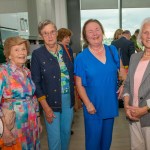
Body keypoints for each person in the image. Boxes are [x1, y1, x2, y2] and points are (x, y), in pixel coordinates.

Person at [74, 19, 122, 150]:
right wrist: (87, 104)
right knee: (93, 143)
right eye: (90, 31)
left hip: (110, 104)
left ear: (102, 32)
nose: (94, 33)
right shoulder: (81, 58)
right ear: (85, 36)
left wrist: (123, 85)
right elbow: (79, 84)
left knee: (106, 143)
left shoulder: (112, 50)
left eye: (97, 29)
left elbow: (122, 71)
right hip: (93, 107)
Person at [30, 20, 74, 150]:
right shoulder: (37, 55)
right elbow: (36, 83)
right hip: (50, 101)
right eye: (45, 33)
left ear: (56, 32)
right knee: (55, 138)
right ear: (41, 36)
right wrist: (46, 107)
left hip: (68, 99)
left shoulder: (67, 50)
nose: (49, 36)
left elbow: (72, 74)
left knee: (66, 133)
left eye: (52, 32)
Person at [0, 36, 42, 150]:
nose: (21, 53)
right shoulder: (3, 72)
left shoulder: (27, 71)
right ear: (9, 54)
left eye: (23, 49)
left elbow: (33, 97)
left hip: (31, 122)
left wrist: (38, 118)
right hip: (14, 124)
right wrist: (4, 130)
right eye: (16, 50)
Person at [123, 17, 150, 150]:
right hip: (133, 115)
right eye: (145, 32)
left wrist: (144, 110)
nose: (149, 36)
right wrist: (126, 105)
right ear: (140, 36)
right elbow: (127, 84)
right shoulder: (134, 57)